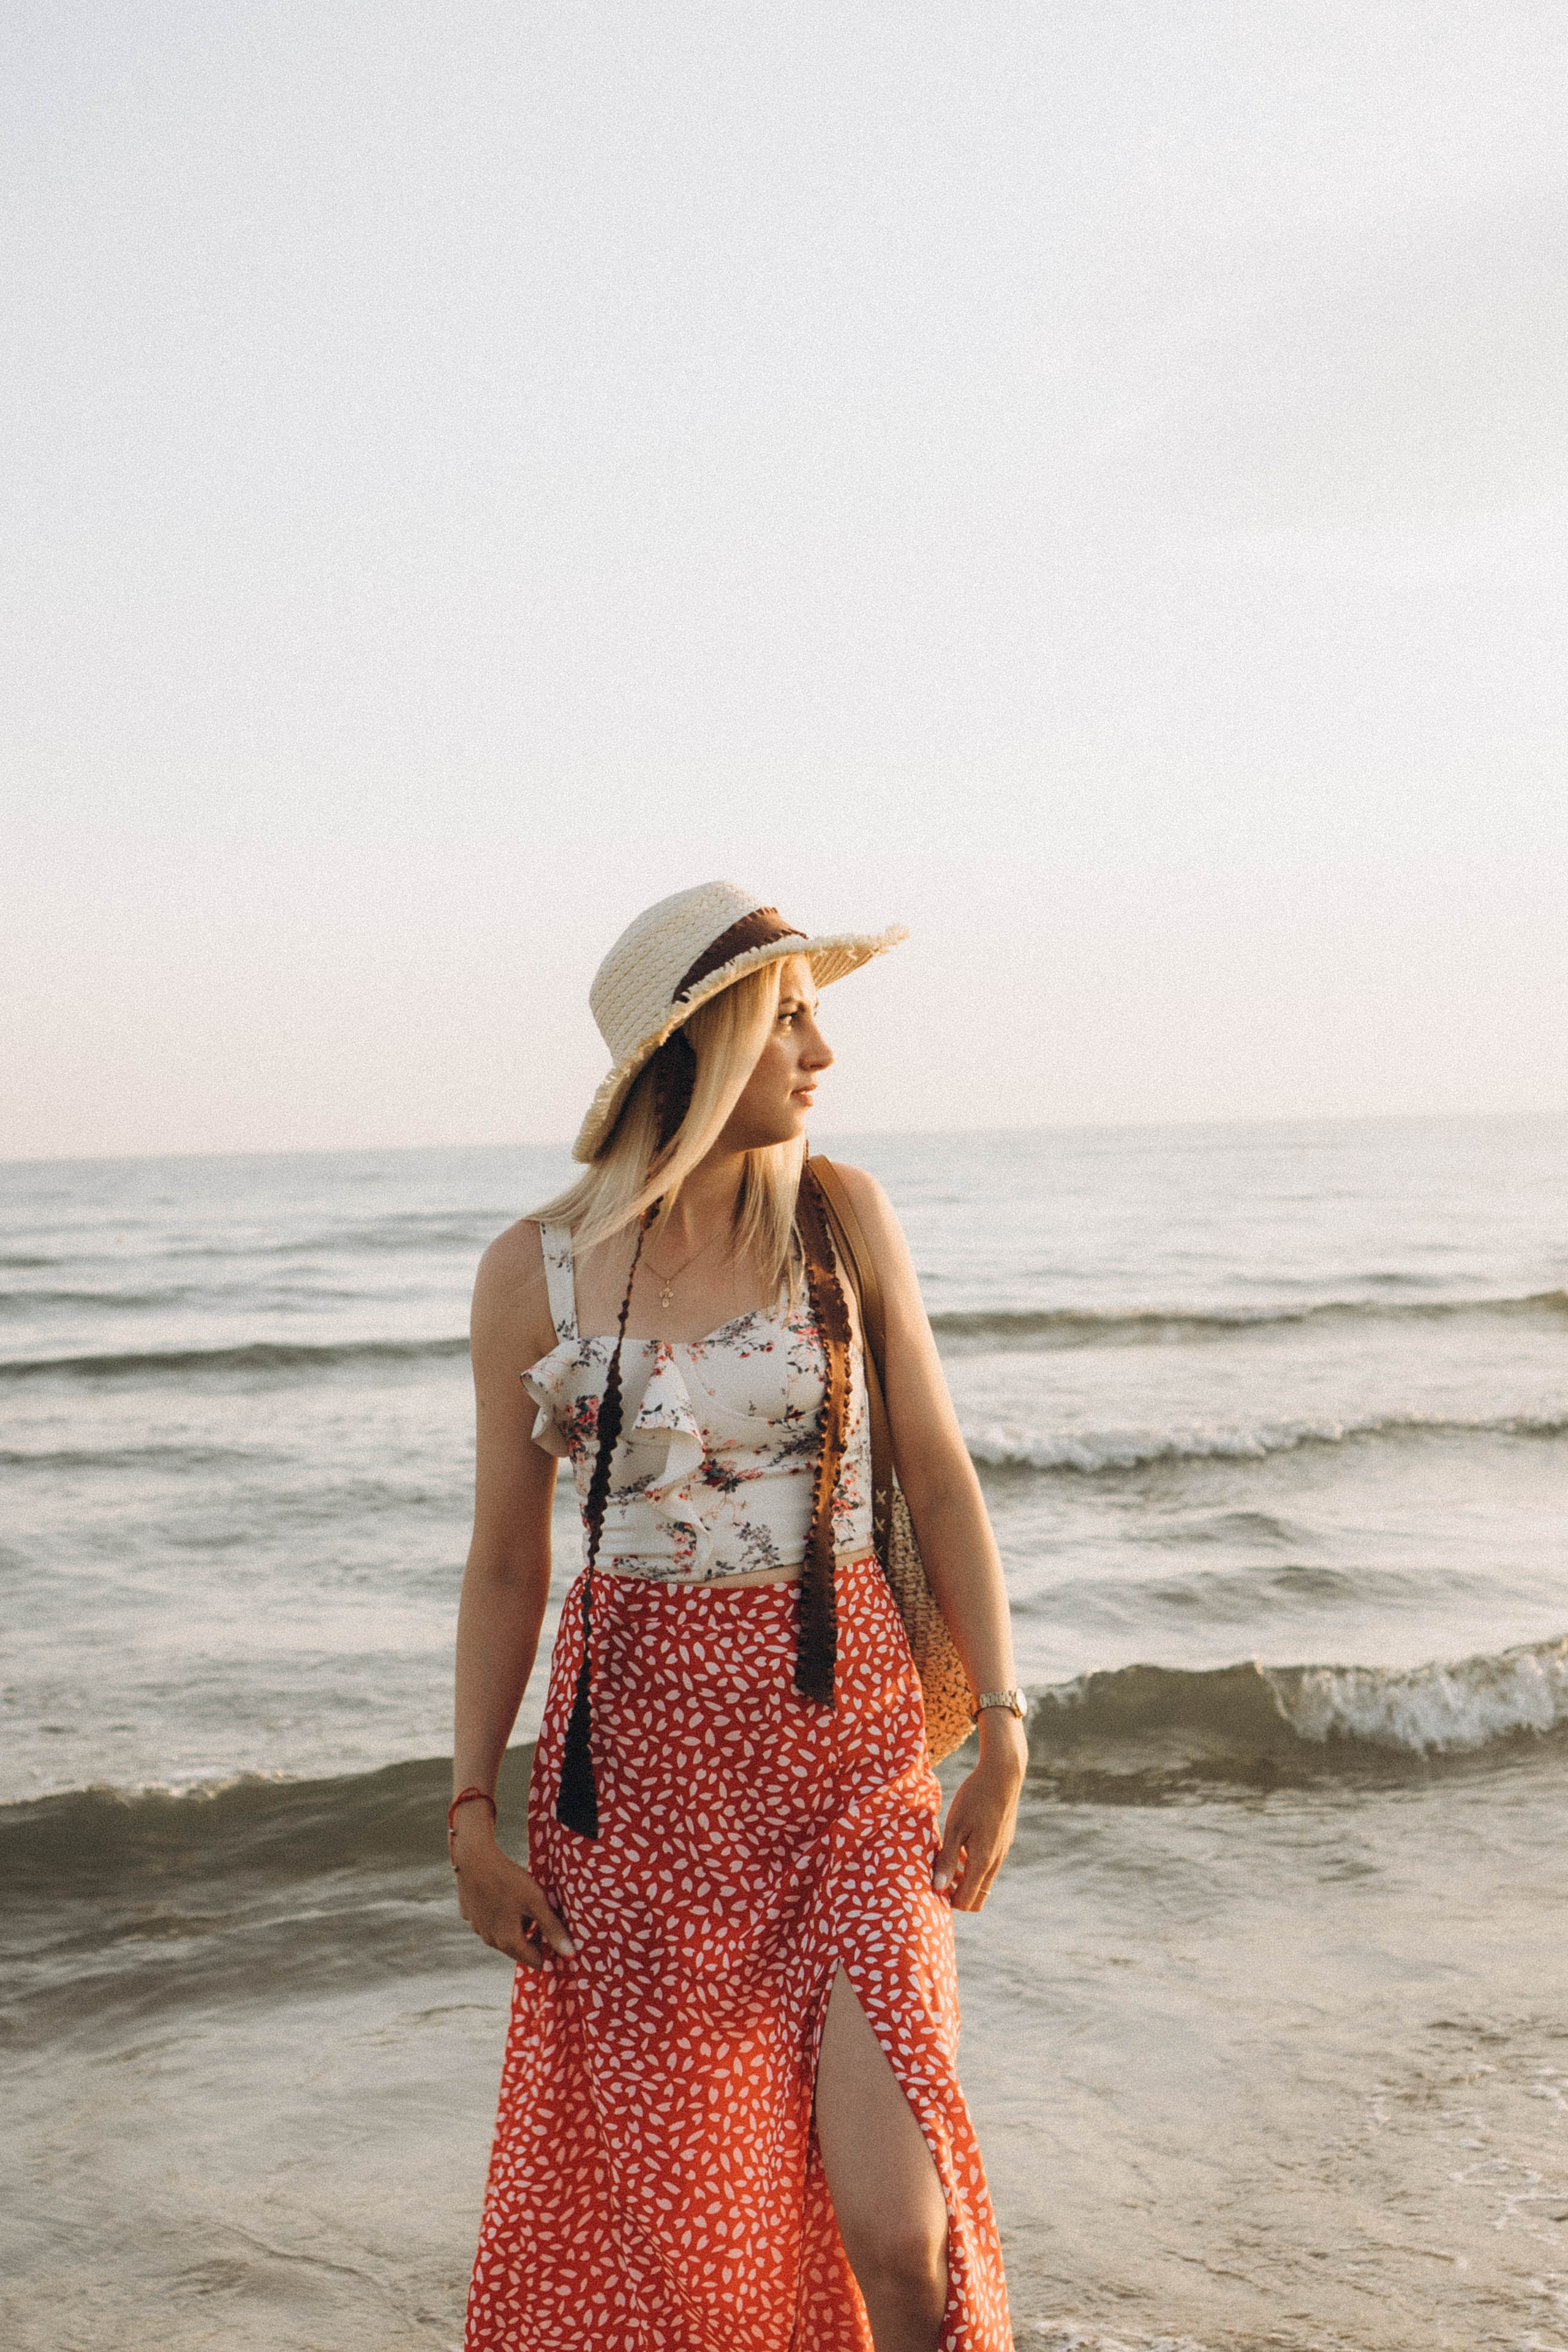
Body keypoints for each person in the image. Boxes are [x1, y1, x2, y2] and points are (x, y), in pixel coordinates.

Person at [452, 881, 1026, 2352]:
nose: (820, 1051)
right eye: (791, 1019)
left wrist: (1005, 1731)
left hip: (849, 1756)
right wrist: (468, 1808)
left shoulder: (839, 1217)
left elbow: (940, 1479)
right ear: (702, 1045)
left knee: (897, 2230)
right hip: (635, 1780)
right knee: (691, 2228)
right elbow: (510, 1564)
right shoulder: (537, 1272)